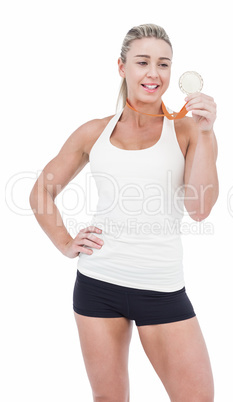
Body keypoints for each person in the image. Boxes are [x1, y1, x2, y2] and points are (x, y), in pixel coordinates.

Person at [29, 23, 218, 402]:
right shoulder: (93, 132)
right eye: (142, 62)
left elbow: (199, 209)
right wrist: (66, 243)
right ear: (121, 67)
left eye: (163, 64)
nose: (153, 73)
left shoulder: (187, 131)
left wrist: (208, 133)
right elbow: (40, 192)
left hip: (161, 289)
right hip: (98, 284)